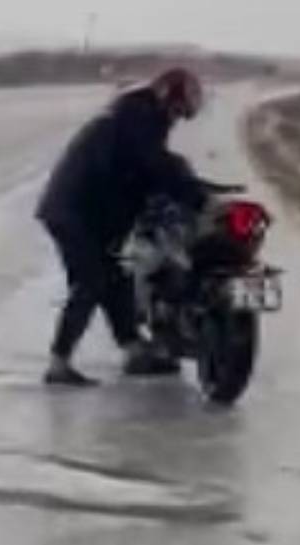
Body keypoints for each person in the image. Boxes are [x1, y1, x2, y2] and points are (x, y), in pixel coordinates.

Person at [36, 68, 210, 387]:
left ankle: (132, 349)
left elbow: (147, 164)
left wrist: (179, 181)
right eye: (176, 110)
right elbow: (148, 164)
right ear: (166, 97)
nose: (175, 118)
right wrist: (189, 191)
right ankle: (58, 363)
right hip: (74, 211)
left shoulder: (135, 115)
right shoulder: (138, 118)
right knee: (90, 281)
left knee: (115, 277)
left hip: (92, 210)